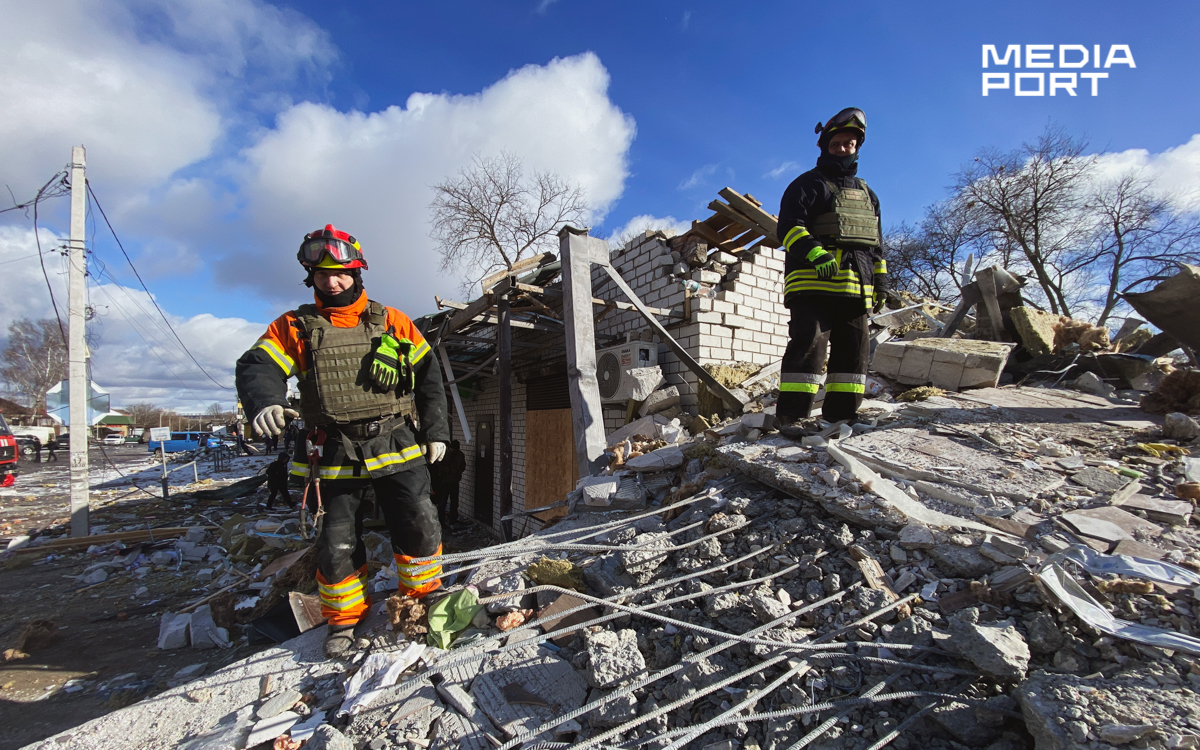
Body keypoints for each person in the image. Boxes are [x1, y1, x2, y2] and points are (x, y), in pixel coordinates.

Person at [235, 224, 449, 659]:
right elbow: (258, 365)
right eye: (320, 274)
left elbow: (430, 379)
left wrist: (437, 431)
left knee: (418, 523)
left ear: (357, 272)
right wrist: (264, 401)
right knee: (336, 542)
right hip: (330, 450)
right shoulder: (295, 326)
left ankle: (421, 599)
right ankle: (345, 621)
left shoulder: (393, 321)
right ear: (309, 276)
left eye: (340, 273)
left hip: (395, 439)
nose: (330, 282)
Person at [775, 107, 885, 429]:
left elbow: (875, 245)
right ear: (824, 146)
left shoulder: (868, 195)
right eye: (837, 144)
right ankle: (791, 416)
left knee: (854, 352)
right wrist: (816, 254)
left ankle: (842, 415)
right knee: (809, 346)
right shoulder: (807, 184)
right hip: (813, 284)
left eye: (849, 144)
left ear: (857, 148)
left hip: (856, 286)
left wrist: (880, 282)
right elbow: (789, 227)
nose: (843, 149)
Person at [430, 439, 467, 528]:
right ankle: (441, 522)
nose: (454, 451)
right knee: (443, 503)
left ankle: (452, 521)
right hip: (444, 482)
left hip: (454, 482)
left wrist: (457, 472)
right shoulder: (444, 454)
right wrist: (451, 471)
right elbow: (438, 467)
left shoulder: (460, 455)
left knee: (454, 503)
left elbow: (463, 466)